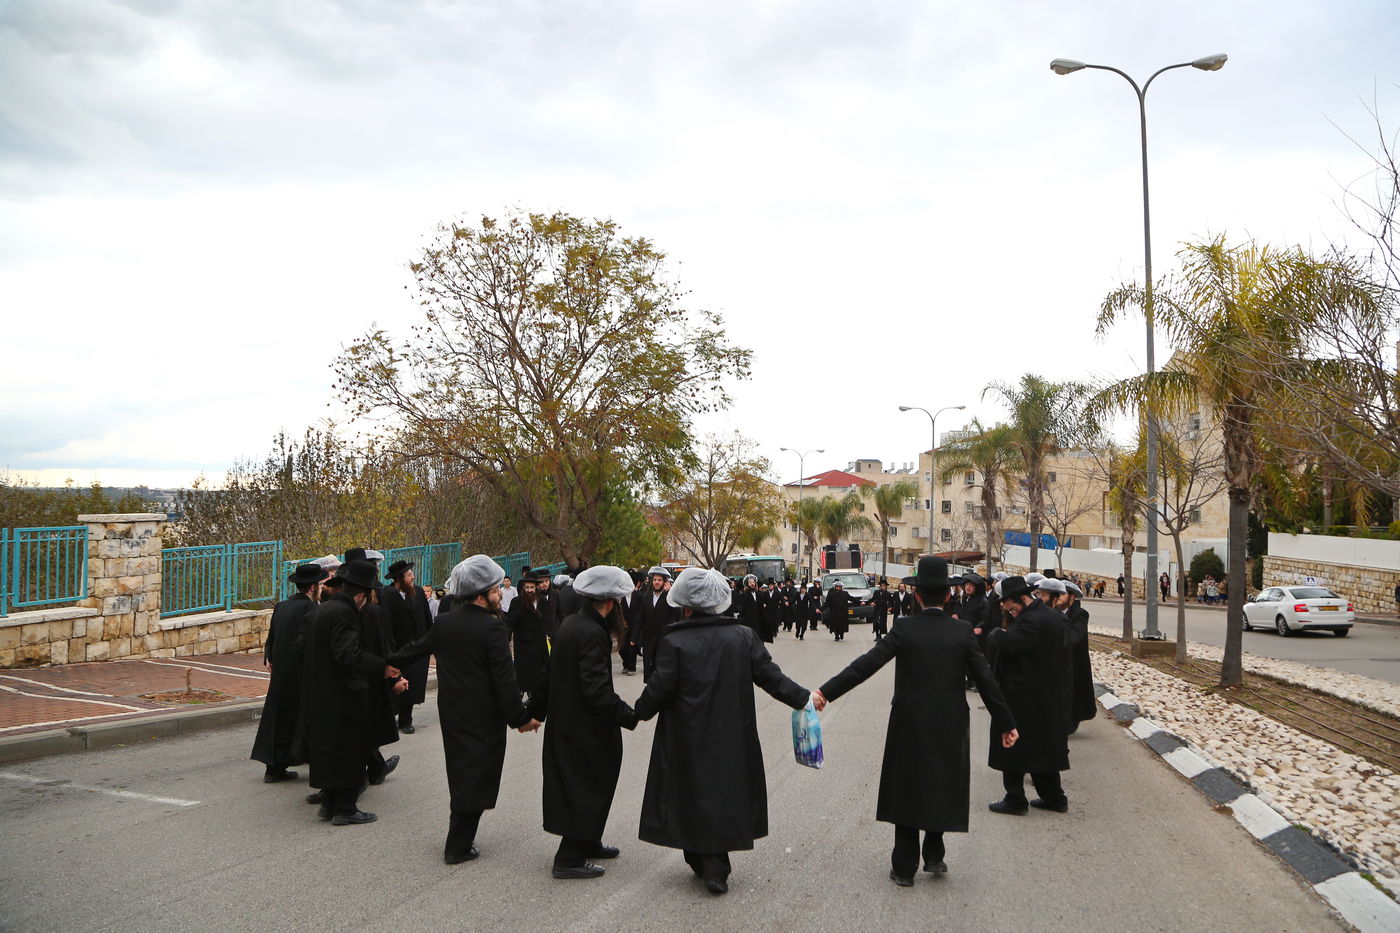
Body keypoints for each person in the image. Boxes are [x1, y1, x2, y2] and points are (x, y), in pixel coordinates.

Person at [813, 557, 1017, 887]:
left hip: (909, 721)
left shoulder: (905, 628)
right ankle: (934, 854)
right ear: (948, 596)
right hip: (950, 721)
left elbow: (866, 664)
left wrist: (826, 692)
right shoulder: (962, 631)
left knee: (906, 785)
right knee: (940, 781)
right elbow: (987, 681)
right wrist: (1007, 723)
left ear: (917, 595)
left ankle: (904, 866)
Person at [633, 568, 815, 895]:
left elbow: (659, 689)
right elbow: (771, 677)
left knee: (690, 791)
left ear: (685, 604)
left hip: (685, 732)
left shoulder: (674, 640)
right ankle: (716, 864)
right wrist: (803, 698)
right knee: (723, 792)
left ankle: (702, 858)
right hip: (732, 731)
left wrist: (635, 713)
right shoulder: (743, 636)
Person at [387, 555, 541, 864]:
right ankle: (457, 846)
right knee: (478, 774)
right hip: (483, 717)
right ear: (481, 594)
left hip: (453, 713)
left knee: (462, 771)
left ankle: (461, 840)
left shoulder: (445, 621)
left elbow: (414, 650)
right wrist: (520, 718)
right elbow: (504, 679)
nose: (500, 594)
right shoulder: (492, 628)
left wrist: (386, 666)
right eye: (496, 590)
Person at [528, 566, 639, 880]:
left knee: (587, 784)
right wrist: (627, 715)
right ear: (609, 602)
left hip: (569, 723)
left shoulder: (572, 623)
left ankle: (589, 840)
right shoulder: (592, 632)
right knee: (587, 786)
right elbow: (596, 689)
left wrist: (536, 711)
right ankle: (569, 857)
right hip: (585, 728)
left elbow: (547, 673)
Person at [302, 559, 408, 826]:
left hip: (322, 691)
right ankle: (345, 808)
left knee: (332, 750)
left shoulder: (323, 610)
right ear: (362, 595)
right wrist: (382, 667)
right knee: (349, 750)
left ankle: (330, 804)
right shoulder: (346, 613)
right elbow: (347, 654)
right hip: (344, 693)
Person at [987, 576, 1071, 815]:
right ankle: (1054, 798)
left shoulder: (1031, 621)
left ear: (1022, 598)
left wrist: (996, 635)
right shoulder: (1052, 616)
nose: (1007, 609)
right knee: (1041, 750)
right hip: (1046, 695)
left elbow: (1009, 642)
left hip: (1022, 697)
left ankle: (1015, 800)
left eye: (1009, 605)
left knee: (1012, 747)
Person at [251, 562, 327, 783]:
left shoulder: (282, 606)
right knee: (300, 720)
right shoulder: (312, 609)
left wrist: (270, 657)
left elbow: (272, 637)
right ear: (313, 587)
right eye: (320, 585)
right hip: (301, 673)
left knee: (278, 718)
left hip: (281, 671)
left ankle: (274, 768)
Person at [384, 560, 433, 734]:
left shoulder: (418, 592)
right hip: (398, 649)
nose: (412, 576)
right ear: (399, 578)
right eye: (409, 574)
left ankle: (406, 720)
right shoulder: (387, 595)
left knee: (413, 685)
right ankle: (391, 718)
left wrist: (431, 641)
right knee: (396, 683)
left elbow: (428, 619)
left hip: (419, 648)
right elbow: (385, 624)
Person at [1057, 581, 1096, 733]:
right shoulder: (1053, 611)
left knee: (1074, 695)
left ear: (1071, 596)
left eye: (1062, 594)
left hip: (1075, 662)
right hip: (1058, 661)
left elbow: (1075, 637)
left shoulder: (1080, 614)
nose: (1058, 598)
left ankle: (1071, 723)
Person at [629, 567, 679, 682]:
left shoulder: (669, 596)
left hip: (665, 641)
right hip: (649, 641)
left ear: (665, 582)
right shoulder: (647, 597)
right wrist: (634, 637)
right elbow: (640, 618)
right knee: (649, 674)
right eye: (655, 579)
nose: (656, 582)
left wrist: (671, 594)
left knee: (663, 673)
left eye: (659, 580)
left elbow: (678, 614)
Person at [505, 572, 549, 699]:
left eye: (531, 587)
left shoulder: (542, 601)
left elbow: (547, 620)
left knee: (538, 672)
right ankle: (520, 695)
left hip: (538, 644)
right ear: (523, 588)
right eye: (527, 587)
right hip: (523, 644)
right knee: (523, 673)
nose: (529, 590)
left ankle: (535, 697)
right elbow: (510, 622)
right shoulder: (516, 602)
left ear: (536, 588)